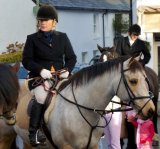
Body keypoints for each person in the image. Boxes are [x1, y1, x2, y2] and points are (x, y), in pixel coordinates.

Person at [22, 4, 77, 147]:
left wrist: (67, 70)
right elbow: (26, 60)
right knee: (41, 97)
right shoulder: (32, 39)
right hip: (39, 79)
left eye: (46, 20)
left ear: (54, 22)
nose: (43, 23)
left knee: (76, 92)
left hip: (60, 77)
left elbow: (72, 58)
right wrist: (40, 70)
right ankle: (34, 132)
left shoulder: (63, 37)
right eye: (41, 20)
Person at [114, 24, 151, 149]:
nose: (135, 37)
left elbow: (148, 55)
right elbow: (117, 54)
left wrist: (142, 63)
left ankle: (149, 93)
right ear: (130, 33)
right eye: (134, 34)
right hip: (124, 69)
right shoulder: (122, 41)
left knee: (145, 80)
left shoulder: (140, 43)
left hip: (136, 68)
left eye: (137, 35)